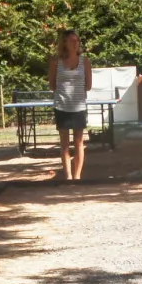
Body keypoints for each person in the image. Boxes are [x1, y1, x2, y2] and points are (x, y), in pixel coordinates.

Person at [48, 29, 93, 181]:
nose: (75, 43)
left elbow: (88, 86)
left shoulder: (85, 61)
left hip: (79, 106)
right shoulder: (56, 62)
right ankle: (67, 176)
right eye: (72, 41)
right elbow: (52, 85)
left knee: (79, 142)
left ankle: (77, 176)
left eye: (77, 41)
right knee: (65, 144)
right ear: (65, 43)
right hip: (62, 106)